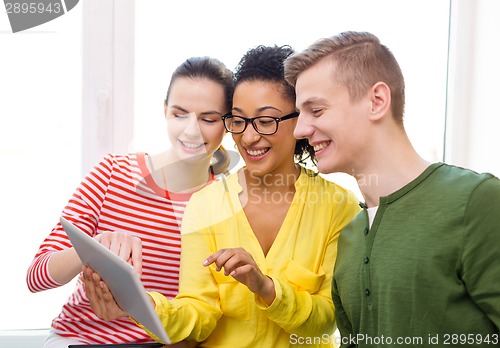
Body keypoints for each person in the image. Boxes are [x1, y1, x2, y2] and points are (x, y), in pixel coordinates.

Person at [83, 45, 361, 347]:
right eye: (238, 121)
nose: (249, 137)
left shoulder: (338, 206)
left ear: (299, 121)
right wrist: (141, 304)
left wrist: (266, 288)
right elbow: (199, 314)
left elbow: (327, 319)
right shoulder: (206, 205)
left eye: (266, 121)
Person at [286, 31, 500, 347]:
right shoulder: (350, 237)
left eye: (316, 110)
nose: (300, 130)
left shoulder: (476, 201)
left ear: (377, 101)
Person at [26, 56, 235, 347]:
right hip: (79, 339)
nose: (191, 130)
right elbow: (37, 277)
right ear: (165, 111)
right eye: (179, 114)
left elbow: (210, 313)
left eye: (208, 119)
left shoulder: (224, 205)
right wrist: (93, 249)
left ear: (228, 124)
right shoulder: (112, 173)